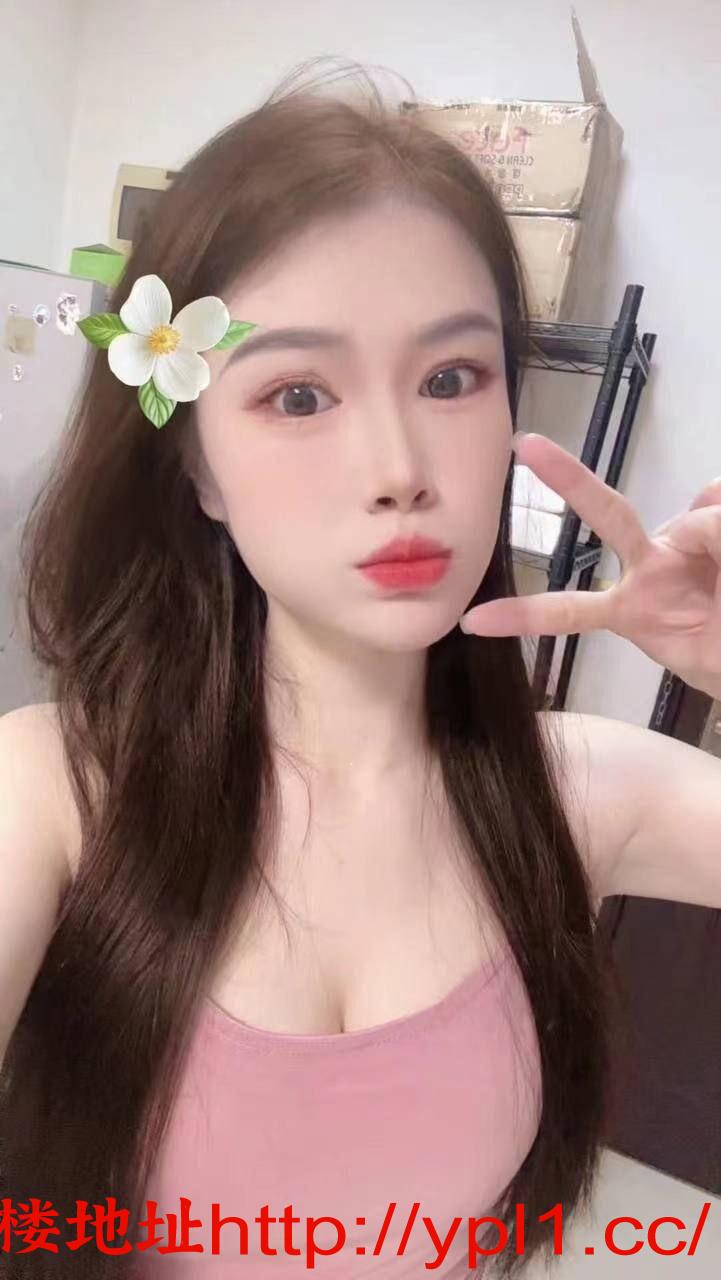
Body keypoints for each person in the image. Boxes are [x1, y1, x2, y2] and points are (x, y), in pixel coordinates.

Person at [1, 59, 720, 1280]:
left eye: (450, 378)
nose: (399, 467)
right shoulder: (52, 793)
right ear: (196, 467)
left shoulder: (583, 793)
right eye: (298, 394)